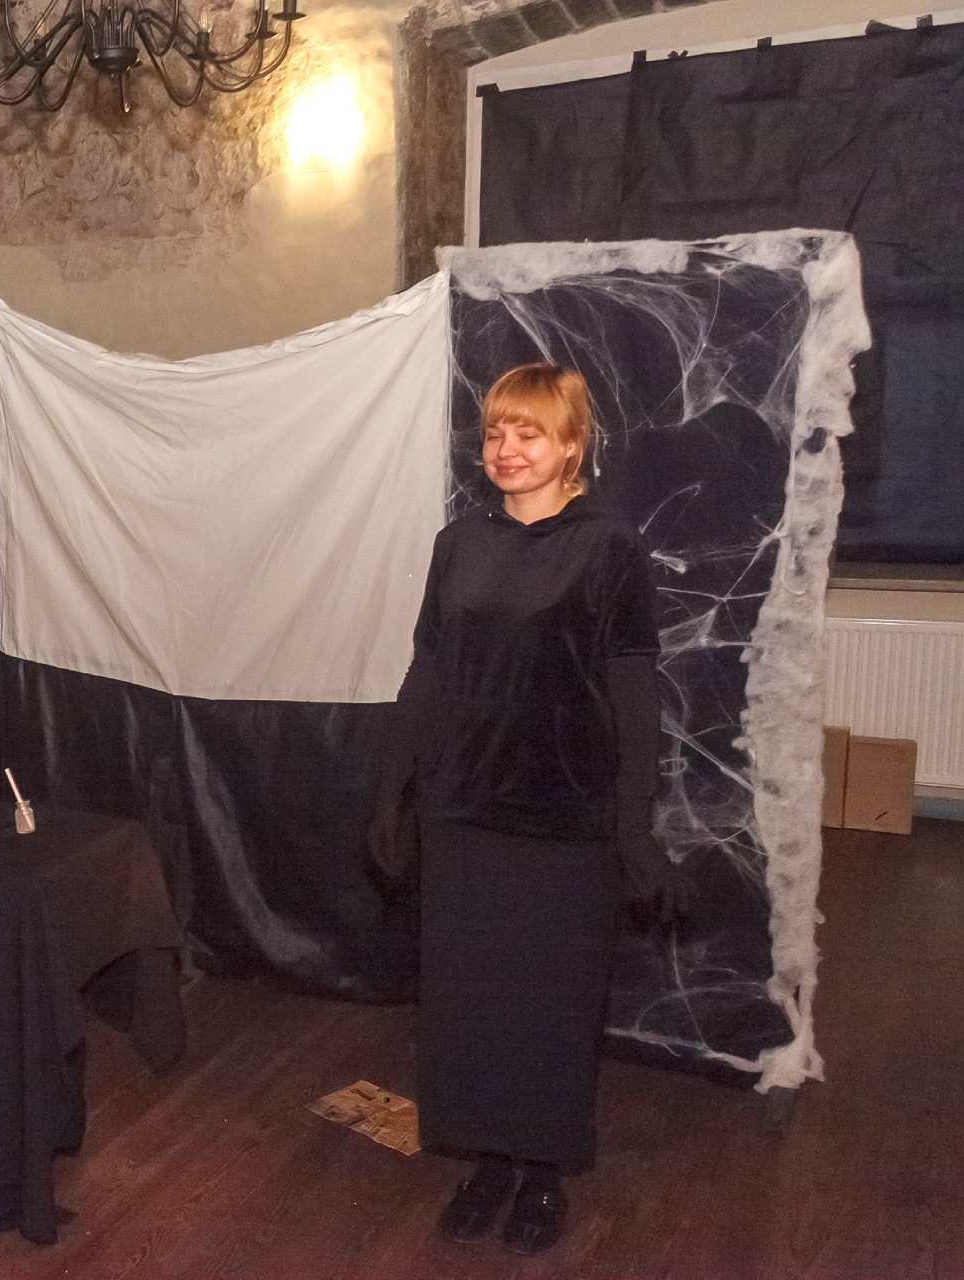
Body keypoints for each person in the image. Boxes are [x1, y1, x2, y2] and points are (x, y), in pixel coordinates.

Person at [371, 362, 673, 1255]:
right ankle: (488, 1161)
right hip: (462, 813)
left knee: (549, 1005)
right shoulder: (458, 544)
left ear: (572, 444)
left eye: (529, 432)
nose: (506, 449)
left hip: (564, 820)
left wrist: (634, 829)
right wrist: (392, 791)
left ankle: (541, 1171)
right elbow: (427, 671)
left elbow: (635, 695)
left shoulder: (609, 549)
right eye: (495, 432)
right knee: (468, 1002)